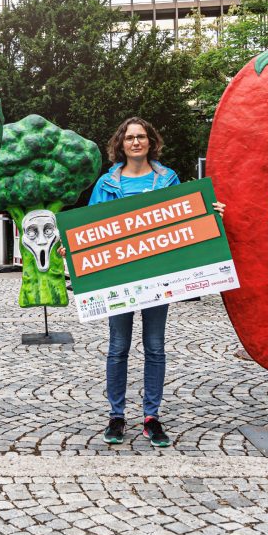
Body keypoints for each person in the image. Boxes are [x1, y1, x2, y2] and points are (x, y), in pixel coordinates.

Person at [89, 117, 224, 448]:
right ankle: (116, 416)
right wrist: (72, 245)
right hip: (119, 280)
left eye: (142, 137)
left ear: (151, 142)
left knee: (154, 347)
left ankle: (151, 417)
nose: (136, 142)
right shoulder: (106, 184)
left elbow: (186, 218)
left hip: (156, 278)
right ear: (120, 144)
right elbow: (90, 228)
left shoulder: (168, 179)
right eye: (130, 137)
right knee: (118, 348)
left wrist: (211, 212)